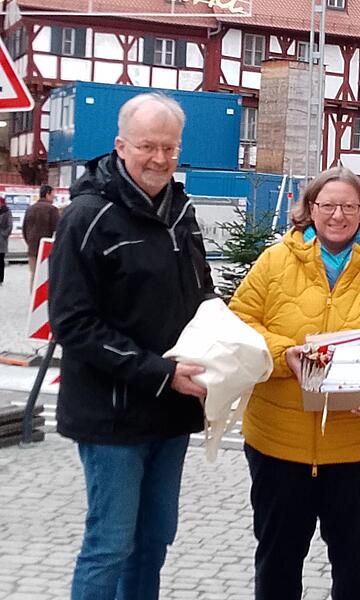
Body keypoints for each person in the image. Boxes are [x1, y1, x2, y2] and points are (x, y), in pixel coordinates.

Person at [48, 93, 215, 599]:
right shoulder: (86, 217)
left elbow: (202, 294)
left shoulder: (181, 212)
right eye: (148, 146)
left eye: (170, 147)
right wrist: (160, 373)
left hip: (172, 412)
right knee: (110, 544)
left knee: (154, 540)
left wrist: (228, 348)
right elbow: (73, 324)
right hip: (111, 416)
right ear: (121, 146)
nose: (161, 159)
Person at [228, 166, 360, 600]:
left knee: (355, 566)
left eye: (349, 206)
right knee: (277, 561)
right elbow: (240, 321)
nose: (338, 215)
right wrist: (285, 355)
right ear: (310, 208)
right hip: (280, 444)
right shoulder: (275, 261)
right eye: (328, 205)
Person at [22, 183, 60, 288]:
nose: (54, 197)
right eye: (53, 194)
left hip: (32, 249)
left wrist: (30, 243)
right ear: (47, 194)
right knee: (46, 277)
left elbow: (24, 230)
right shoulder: (52, 210)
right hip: (47, 250)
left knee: (34, 276)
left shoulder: (30, 209)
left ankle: (33, 300)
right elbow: (58, 230)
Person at [0, 196, 11, 284]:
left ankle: (0, 278)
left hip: (1, 239)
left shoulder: (7, 212)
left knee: (0, 259)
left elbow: (10, 225)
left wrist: (4, 234)